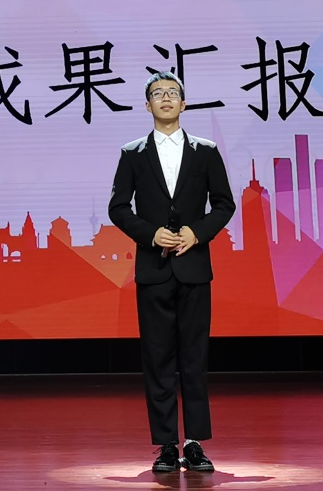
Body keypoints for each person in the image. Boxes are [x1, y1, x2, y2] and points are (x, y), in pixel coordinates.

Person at [108, 72, 236, 475]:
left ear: (183, 104)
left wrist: (197, 233)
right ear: (147, 105)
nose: (165, 98)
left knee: (195, 358)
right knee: (158, 358)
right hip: (153, 270)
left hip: (194, 269)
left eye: (172, 93)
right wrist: (151, 234)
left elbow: (224, 204)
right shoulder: (133, 153)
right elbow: (118, 208)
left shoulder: (206, 151)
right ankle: (166, 444)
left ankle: (194, 443)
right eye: (157, 94)